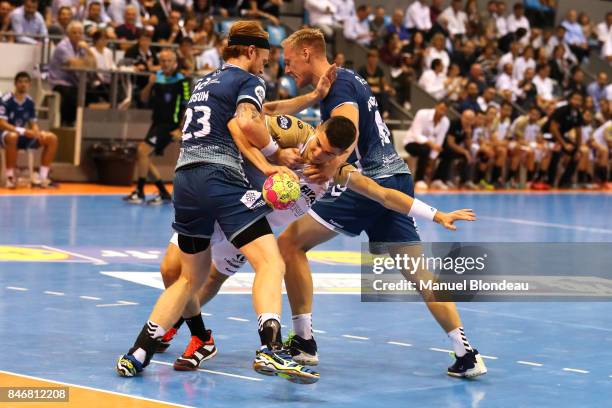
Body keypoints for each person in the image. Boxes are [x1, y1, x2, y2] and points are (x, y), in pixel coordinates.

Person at [156, 114, 476, 370]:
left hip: (257, 228)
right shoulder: (293, 133)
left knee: (213, 277)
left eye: (330, 153)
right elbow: (246, 122)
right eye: (320, 144)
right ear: (318, 129)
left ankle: (185, 327)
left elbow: (385, 196)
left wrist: (436, 214)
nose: (319, 152)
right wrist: (272, 157)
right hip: (232, 204)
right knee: (175, 270)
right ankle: (175, 322)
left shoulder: (339, 172)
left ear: (341, 155)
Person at [116, 20, 327, 384]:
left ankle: (137, 353)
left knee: (186, 279)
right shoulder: (250, 81)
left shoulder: (206, 82)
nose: (267, 64)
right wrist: (275, 156)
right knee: (270, 262)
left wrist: (308, 99)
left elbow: (257, 113)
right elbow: (247, 121)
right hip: (219, 177)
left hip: (184, 177)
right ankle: (271, 350)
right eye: (265, 56)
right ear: (250, 52)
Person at [271, 28, 487, 378]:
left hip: (371, 181)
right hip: (396, 175)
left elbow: (347, 129)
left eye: (289, 59)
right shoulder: (345, 79)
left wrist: (330, 165)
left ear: (307, 52)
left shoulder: (338, 87)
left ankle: (305, 342)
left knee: (290, 243)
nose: (287, 67)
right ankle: (467, 353)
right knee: (420, 275)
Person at [123, 49, 190, 205]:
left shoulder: (182, 80)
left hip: (170, 125)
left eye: (169, 61)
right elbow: (143, 98)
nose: (165, 64)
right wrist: (150, 84)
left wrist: (181, 129)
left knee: (142, 151)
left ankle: (140, 192)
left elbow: (187, 106)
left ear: (175, 63)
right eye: (163, 61)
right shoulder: (156, 78)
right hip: (156, 123)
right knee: (144, 156)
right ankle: (163, 193)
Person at [0, 72, 58, 189]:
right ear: (15, 84)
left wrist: (36, 132)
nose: (23, 84)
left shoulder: (30, 101)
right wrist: (22, 131)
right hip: (5, 135)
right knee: (12, 136)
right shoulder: (5, 99)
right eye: (20, 82)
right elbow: (2, 123)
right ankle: (10, 177)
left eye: (26, 82)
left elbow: (33, 123)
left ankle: (42, 177)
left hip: (22, 135)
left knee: (51, 138)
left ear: (29, 84)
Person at [47, 21, 96, 127]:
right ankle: (66, 124)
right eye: (74, 33)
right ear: (68, 34)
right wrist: (86, 62)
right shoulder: (62, 46)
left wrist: (88, 49)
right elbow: (74, 64)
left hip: (75, 82)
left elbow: (94, 65)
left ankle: (80, 124)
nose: (77, 35)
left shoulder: (82, 47)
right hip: (59, 82)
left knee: (92, 93)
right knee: (72, 95)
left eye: (80, 33)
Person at [403, 101, 450, 190]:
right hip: (411, 142)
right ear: (436, 106)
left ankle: (437, 179)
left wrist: (432, 159)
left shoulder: (445, 121)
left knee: (448, 152)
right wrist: (431, 145)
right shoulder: (422, 114)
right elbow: (416, 134)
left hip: (430, 147)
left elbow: (439, 141)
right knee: (425, 149)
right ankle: (419, 180)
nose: (442, 111)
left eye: (445, 110)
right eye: (441, 108)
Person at [543, 91, 585, 188]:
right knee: (557, 151)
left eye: (579, 100)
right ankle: (550, 181)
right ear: (570, 100)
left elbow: (579, 132)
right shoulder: (562, 110)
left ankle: (564, 182)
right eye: (575, 99)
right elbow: (553, 128)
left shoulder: (577, 113)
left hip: (561, 136)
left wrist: (577, 149)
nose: (577, 102)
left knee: (578, 154)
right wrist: (564, 144)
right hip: (548, 135)